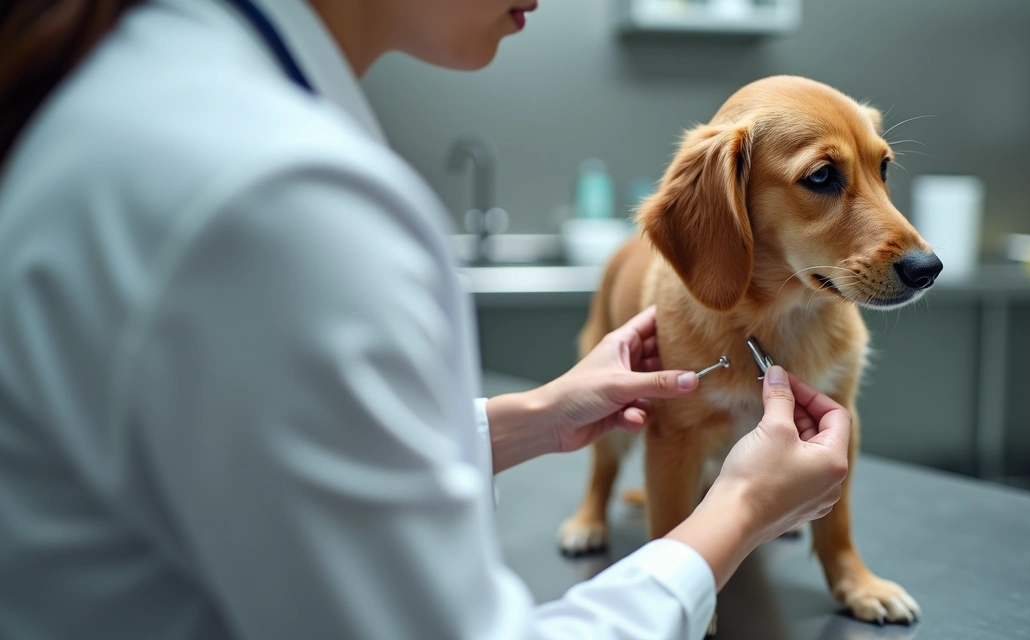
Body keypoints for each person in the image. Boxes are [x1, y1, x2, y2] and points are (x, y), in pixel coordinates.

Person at [0, 1, 852, 639]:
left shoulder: (161, 89)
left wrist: (526, 418)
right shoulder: (273, 197)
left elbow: (248, 456)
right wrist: (737, 514)